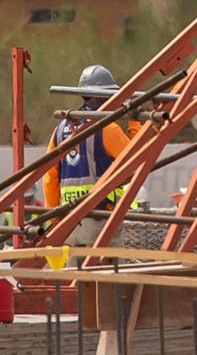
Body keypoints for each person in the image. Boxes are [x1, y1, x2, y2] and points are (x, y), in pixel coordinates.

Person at [41, 64, 134, 246]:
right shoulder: (107, 128)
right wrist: (134, 120)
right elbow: (137, 159)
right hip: (99, 222)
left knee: (73, 273)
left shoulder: (60, 130)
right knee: (107, 272)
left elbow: (49, 177)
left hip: (68, 224)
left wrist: (55, 219)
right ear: (104, 95)